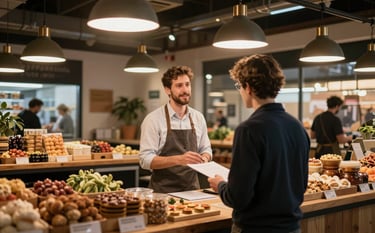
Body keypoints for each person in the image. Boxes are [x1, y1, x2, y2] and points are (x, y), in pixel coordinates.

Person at [208, 54, 310, 233]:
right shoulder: (297, 127)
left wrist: (221, 185)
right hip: (291, 228)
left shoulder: (248, 130)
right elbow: (300, 186)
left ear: (248, 87)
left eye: (239, 86)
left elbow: (238, 197)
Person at [139, 65, 212, 193]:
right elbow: (145, 160)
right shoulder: (153, 119)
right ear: (168, 90)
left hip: (193, 191)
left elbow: (206, 149)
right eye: (179, 86)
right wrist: (179, 159)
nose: (185, 90)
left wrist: (204, 159)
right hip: (162, 194)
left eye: (187, 84)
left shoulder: (198, 117)